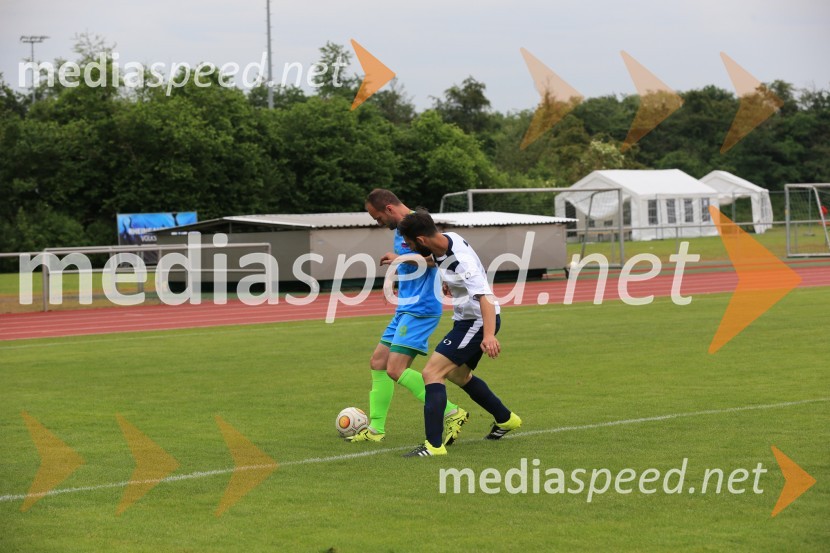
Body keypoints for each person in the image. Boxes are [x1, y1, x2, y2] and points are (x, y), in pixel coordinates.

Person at [397, 209, 522, 457]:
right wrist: (449, 281)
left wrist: (488, 335)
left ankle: (433, 446)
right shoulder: (446, 240)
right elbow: (437, 261)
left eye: (410, 244)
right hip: (467, 319)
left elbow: (485, 297)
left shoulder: (461, 261)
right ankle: (506, 419)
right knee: (458, 374)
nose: (409, 248)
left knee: (431, 373)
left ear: (421, 239)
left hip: (477, 321)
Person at [348, 189, 468, 444]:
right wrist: (392, 281)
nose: (378, 222)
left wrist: (400, 259)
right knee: (378, 362)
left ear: (389, 209)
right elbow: (409, 262)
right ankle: (376, 430)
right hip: (406, 306)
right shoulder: (399, 230)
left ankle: (452, 412)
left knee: (395, 369)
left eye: (378, 217)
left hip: (421, 308)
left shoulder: (419, 223)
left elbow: (435, 258)